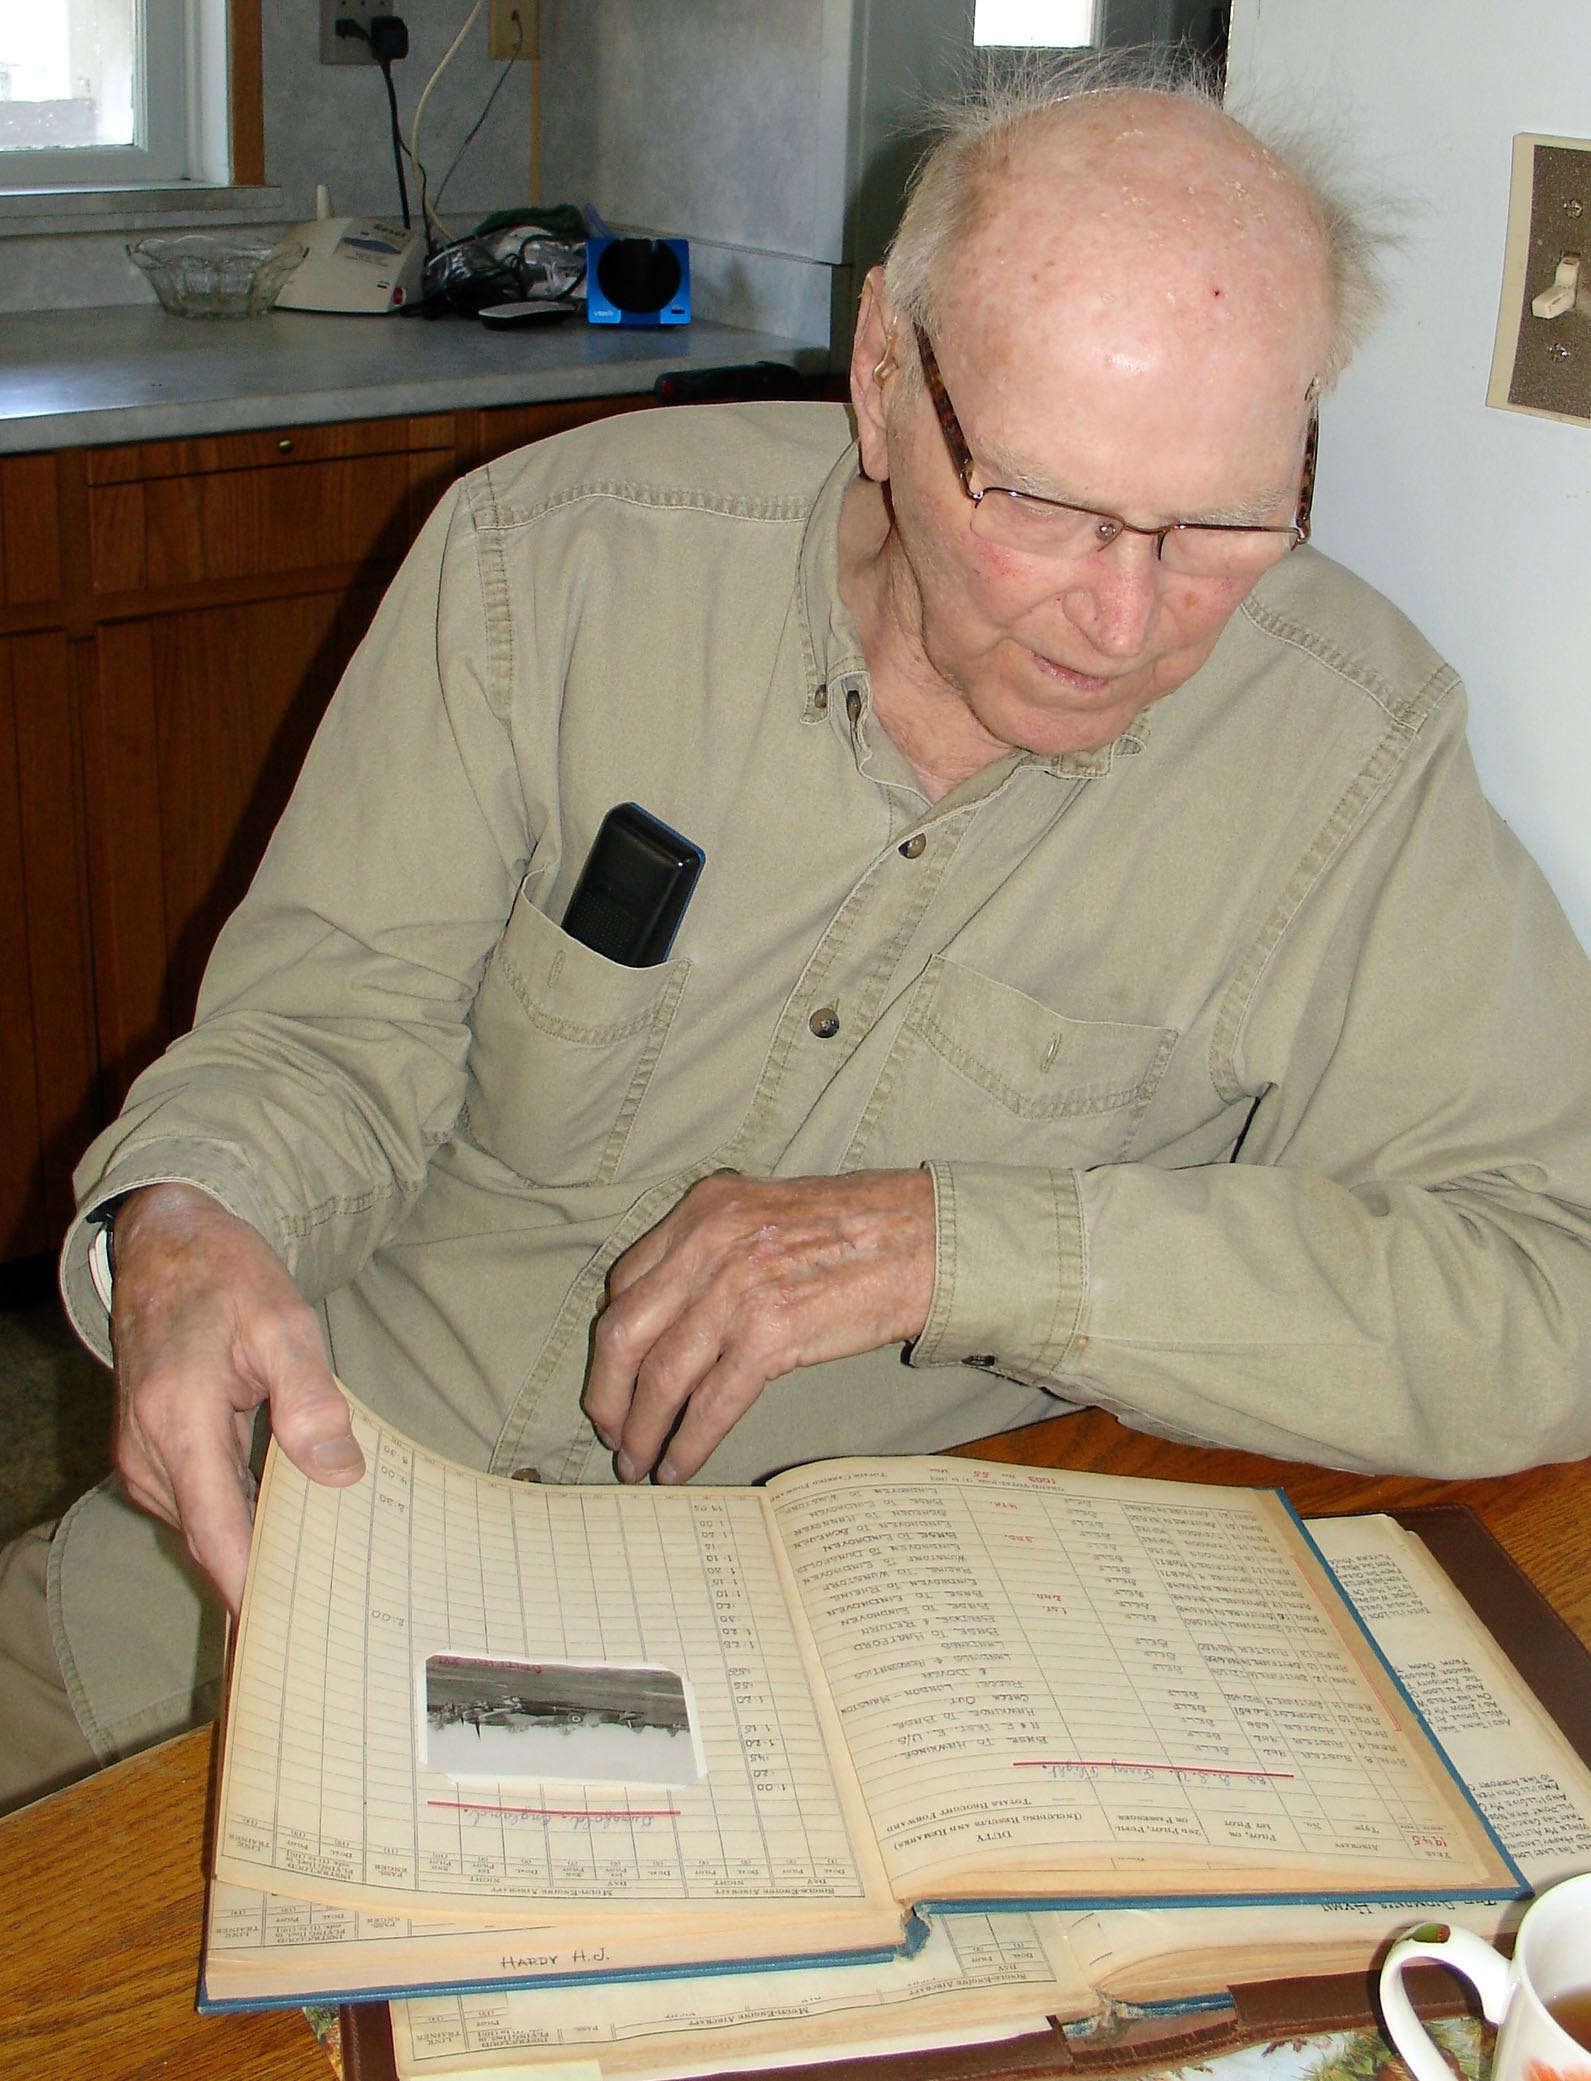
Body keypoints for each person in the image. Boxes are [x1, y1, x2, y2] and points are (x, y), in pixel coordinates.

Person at [5, 55, 1590, 1815]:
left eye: (1220, 522)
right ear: (884, 379)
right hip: (273, 1553)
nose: (1128, 617)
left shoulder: (1346, 758)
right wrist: (189, 1219)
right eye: (1044, 503)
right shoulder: (558, 564)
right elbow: (320, 1040)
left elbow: (1558, 1290)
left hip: (798, 1710)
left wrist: (960, 1248)